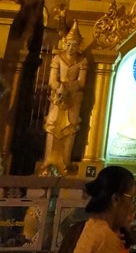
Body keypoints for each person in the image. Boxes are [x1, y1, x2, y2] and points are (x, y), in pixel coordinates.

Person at [40, 22, 88, 174]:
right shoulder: (57, 58)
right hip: (58, 97)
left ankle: (64, 163)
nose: (71, 48)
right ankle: (48, 162)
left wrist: (67, 87)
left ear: (78, 46)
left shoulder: (82, 61)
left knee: (70, 127)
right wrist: (59, 87)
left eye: (74, 45)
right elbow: (52, 80)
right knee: (52, 126)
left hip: (73, 99)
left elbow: (81, 82)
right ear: (65, 44)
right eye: (69, 44)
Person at [69, 166, 136, 253]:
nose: (133, 207)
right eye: (132, 199)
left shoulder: (93, 225)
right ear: (115, 199)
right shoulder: (106, 238)